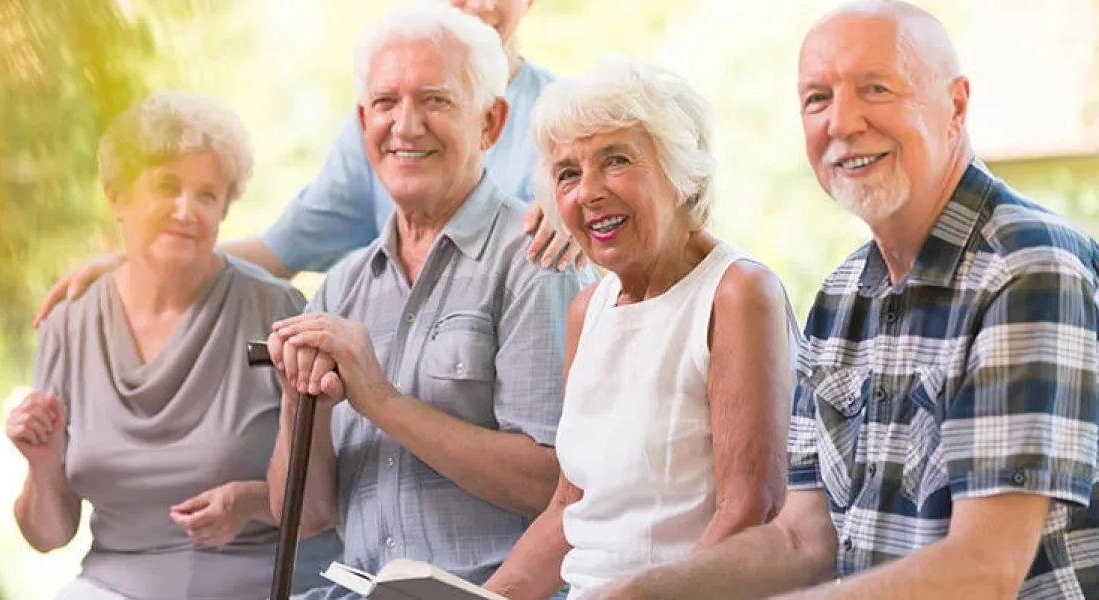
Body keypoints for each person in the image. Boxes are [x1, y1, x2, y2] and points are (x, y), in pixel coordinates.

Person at [588, 2, 1099, 599]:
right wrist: (642, 592)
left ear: (956, 106)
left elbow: (985, 569)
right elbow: (803, 540)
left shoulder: (1029, 268)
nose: (842, 122)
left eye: (875, 89)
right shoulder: (840, 296)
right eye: (817, 99)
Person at [264, 4, 590, 598]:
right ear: (364, 122)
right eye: (386, 103)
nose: (406, 125)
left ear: (491, 123)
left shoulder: (538, 262)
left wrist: (379, 399)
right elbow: (306, 516)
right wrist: (298, 402)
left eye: (435, 101)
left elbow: (554, 485)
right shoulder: (342, 286)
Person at [30, 0, 581, 329]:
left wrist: (584, 220)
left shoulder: (570, 121)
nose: (479, 2)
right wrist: (146, 260)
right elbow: (281, 250)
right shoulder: (384, 127)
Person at [478, 57, 798, 600]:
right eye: (568, 173)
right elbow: (571, 508)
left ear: (681, 173)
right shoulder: (588, 310)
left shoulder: (738, 293)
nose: (588, 192)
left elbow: (750, 510)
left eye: (616, 160)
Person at [6, 90, 307, 600]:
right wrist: (41, 463)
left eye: (207, 195)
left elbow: (326, 495)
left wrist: (253, 502)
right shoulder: (69, 323)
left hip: (256, 582)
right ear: (117, 195)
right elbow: (50, 535)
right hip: (113, 585)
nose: (185, 210)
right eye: (167, 186)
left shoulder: (275, 312)